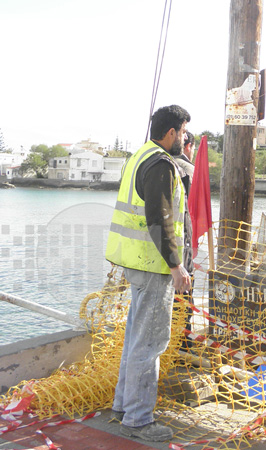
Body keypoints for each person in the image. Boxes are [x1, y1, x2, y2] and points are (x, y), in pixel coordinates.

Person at [105, 105, 192, 442]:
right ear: (171, 133)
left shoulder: (139, 156)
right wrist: (176, 265)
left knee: (135, 339)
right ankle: (138, 420)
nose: (183, 139)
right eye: (182, 133)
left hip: (137, 263)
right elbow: (160, 220)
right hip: (153, 266)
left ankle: (123, 407)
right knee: (150, 343)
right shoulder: (160, 164)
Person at [174, 131, 196, 349]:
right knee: (184, 288)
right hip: (182, 243)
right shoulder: (187, 170)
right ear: (189, 146)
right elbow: (193, 211)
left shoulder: (155, 163)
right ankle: (182, 343)